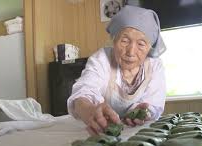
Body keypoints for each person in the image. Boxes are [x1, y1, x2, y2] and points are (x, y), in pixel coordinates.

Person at [67, 5, 166, 135]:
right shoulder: (101, 59)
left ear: (150, 48)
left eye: (141, 44)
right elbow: (83, 93)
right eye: (124, 41)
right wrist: (90, 111)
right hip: (101, 132)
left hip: (137, 134)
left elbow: (154, 104)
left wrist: (142, 113)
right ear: (114, 40)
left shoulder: (155, 66)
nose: (131, 52)